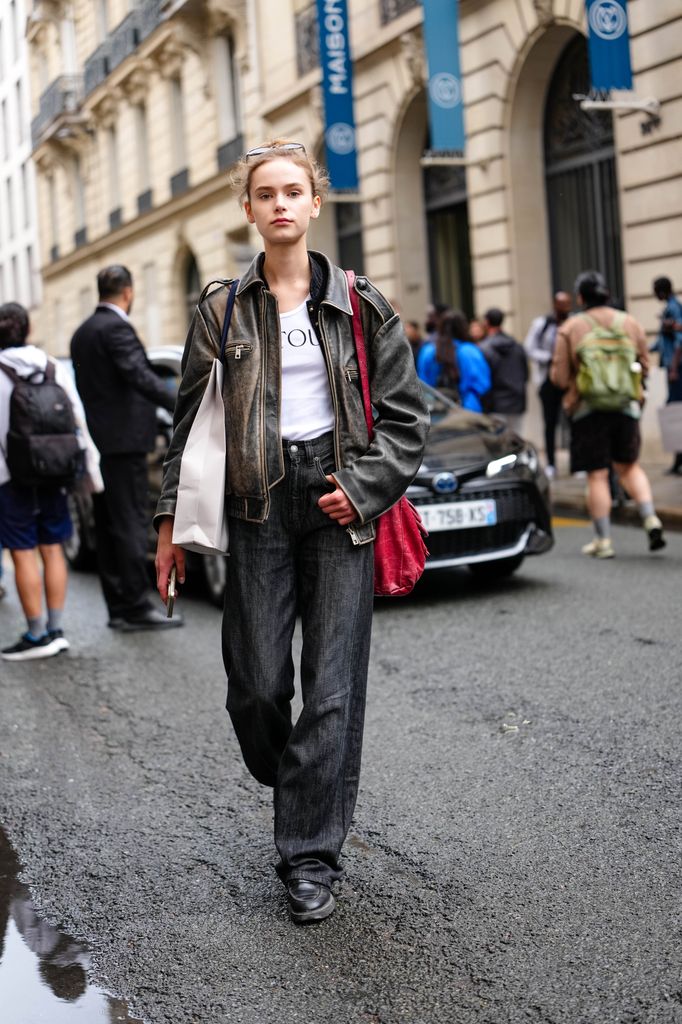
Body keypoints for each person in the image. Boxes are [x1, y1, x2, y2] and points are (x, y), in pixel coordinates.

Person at [154, 139, 428, 924]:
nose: (280, 203)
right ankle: (305, 780)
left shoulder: (361, 302)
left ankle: (309, 858)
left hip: (339, 502)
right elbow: (188, 426)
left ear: (315, 202)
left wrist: (362, 488)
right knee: (257, 686)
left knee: (332, 690)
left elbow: (407, 420)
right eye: (265, 193)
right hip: (258, 504)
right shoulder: (222, 309)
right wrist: (168, 525)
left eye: (292, 191)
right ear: (249, 209)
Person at [70, 266, 183, 631]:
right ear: (128, 292)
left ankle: (118, 606)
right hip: (126, 442)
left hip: (102, 441)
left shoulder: (83, 333)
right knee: (130, 522)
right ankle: (135, 606)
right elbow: (139, 375)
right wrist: (182, 405)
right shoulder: (115, 328)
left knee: (108, 526)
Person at [0, 302, 103, 661]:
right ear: (28, 330)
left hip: (10, 476)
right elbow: (76, 417)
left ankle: (36, 633)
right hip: (56, 469)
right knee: (53, 547)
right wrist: (89, 468)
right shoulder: (51, 366)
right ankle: (57, 630)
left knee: (22, 550)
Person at [551, 270, 665, 558]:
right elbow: (644, 364)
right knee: (629, 466)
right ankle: (650, 518)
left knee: (598, 475)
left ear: (580, 297)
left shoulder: (571, 327)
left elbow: (560, 377)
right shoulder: (630, 322)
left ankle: (603, 541)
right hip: (626, 407)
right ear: (607, 294)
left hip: (588, 410)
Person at [525, 291, 573, 477]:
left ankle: (576, 463)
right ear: (554, 304)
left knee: (572, 421)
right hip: (547, 380)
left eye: (567, 304)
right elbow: (529, 348)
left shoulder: (573, 322)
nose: (564, 308)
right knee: (550, 422)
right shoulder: (542, 324)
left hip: (569, 380)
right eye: (561, 304)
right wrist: (550, 358)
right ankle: (552, 463)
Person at [416, 311, 491, 411]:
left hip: (435, 411)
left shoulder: (427, 351)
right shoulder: (469, 351)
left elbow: (423, 384)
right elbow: (481, 384)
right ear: (463, 328)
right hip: (467, 411)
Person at [652, 276, 682, 474]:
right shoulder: (670, 309)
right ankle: (678, 460)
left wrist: (673, 368)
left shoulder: (673, 308)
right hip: (673, 367)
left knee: (675, 412)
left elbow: (680, 340)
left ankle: (678, 460)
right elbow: (662, 342)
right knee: (675, 411)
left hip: (677, 369)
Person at [481, 308, 529, 434]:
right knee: (516, 440)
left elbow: (482, 379)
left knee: (497, 442)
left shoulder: (484, 348)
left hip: (495, 405)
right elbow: (525, 374)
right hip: (516, 402)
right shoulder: (517, 346)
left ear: (486, 322)